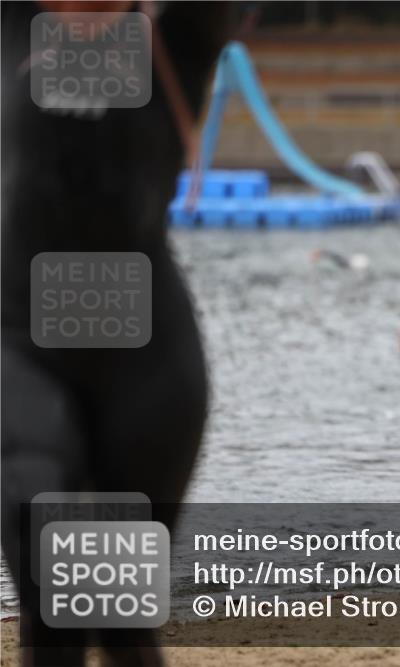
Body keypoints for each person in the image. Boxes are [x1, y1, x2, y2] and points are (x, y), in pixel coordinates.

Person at [1, 4, 232, 665]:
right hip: (21, 345)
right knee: (52, 605)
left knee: (121, 617)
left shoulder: (180, 37)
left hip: (148, 359)